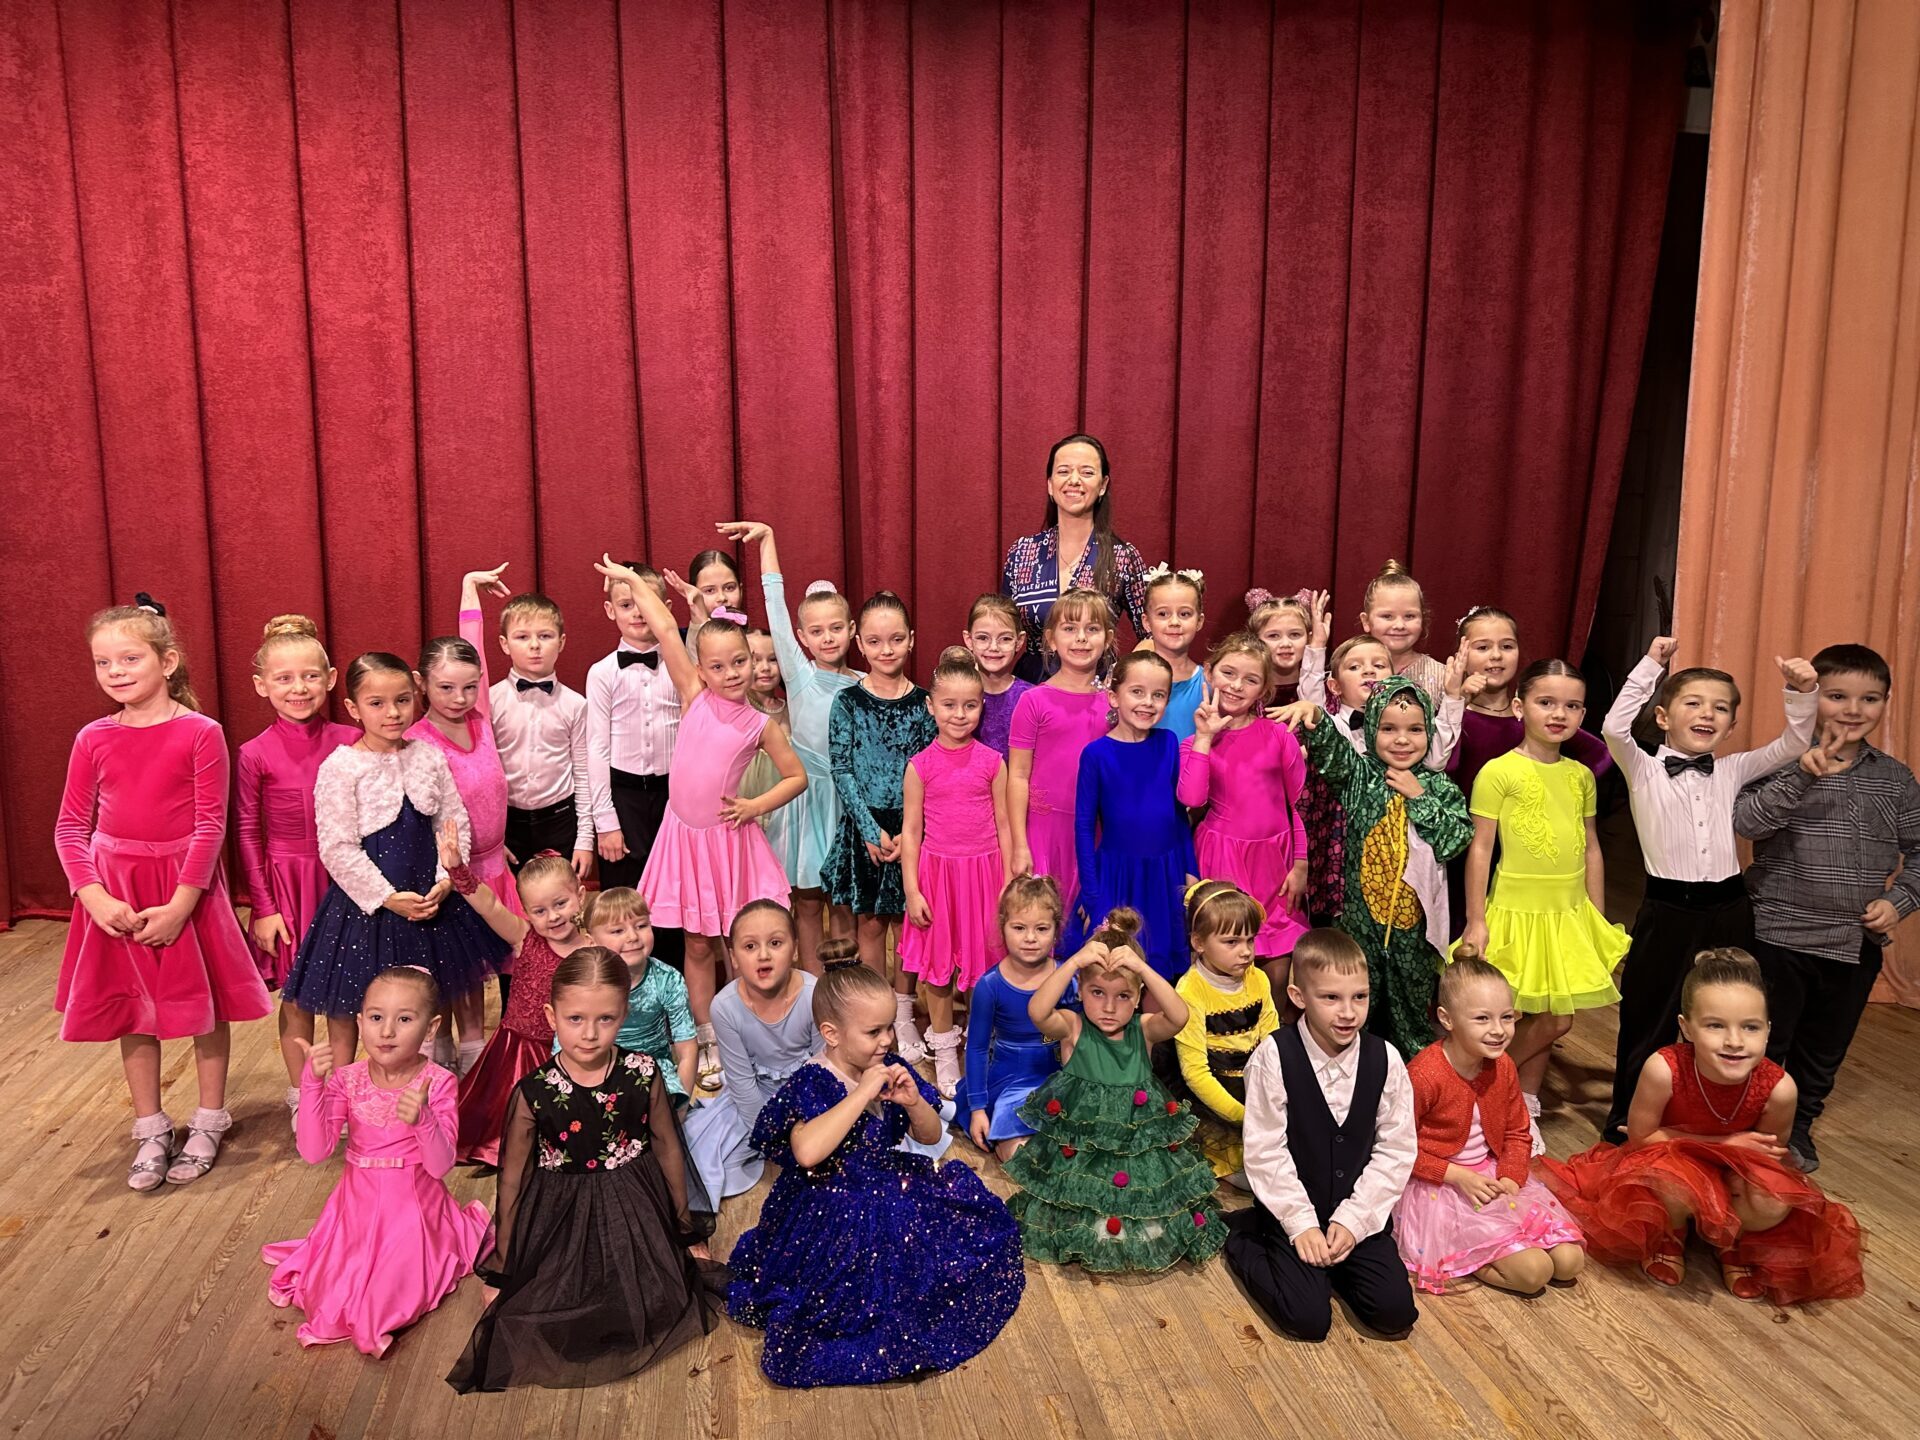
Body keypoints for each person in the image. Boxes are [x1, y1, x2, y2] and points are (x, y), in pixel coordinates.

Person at [56, 597, 272, 1190]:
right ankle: (150, 1126)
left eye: (130, 658)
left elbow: (210, 825)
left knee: (204, 1005)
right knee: (134, 1007)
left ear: (167, 661)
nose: (116, 671)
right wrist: (94, 896)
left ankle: (209, 1119)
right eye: (103, 662)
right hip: (116, 888)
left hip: (184, 889)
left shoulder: (201, 733)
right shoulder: (92, 738)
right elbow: (70, 827)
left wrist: (181, 904)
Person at [726, 964, 1024, 1387]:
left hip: (886, 1183)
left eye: (889, 1027)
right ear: (831, 1034)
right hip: (828, 1206)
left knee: (949, 1253)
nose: (886, 1040)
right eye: (873, 1032)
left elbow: (930, 1135)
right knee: (852, 1295)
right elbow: (807, 1152)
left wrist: (913, 1102)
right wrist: (863, 1091)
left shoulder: (890, 1064)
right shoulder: (812, 1080)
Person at [448, 947, 726, 1391]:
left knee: (649, 1300)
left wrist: (684, 1229)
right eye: (575, 1019)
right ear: (551, 1016)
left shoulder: (642, 1072)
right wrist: (503, 1268)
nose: (590, 1034)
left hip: (632, 1205)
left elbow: (668, 1149)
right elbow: (514, 1179)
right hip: (562, 1214)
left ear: (623, 1015)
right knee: (561, 1315)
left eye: (606, 1019)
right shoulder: (534, 1091)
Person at [1540, 950, 1864, 1305]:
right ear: (1686, 1027)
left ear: (1768, 1030)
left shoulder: (1779, 1088)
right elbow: (1643, 1137)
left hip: (1733, 1167)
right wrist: (1728, 1142)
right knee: (1669, 1178)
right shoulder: (1663, 1068)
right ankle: (1671, 1230)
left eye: (1750, 1027)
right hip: (1667, 1160)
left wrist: (1735, 1159)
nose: (1735, 1041)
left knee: (1772, 1199)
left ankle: (1731, 1237)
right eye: (1715, 1025)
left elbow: (1766, 1157)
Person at [595, 555, 808, 1087]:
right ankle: (706, 1034)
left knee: (739, 941)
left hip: (727, 841)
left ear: (751, 661)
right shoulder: (693, 696)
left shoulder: (759, 723)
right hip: (683, 839)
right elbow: (667, 629)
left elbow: (796, 777)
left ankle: (749, 1031)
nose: (731, 674)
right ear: (702, 669)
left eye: (739, 663)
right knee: (695, 942)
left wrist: (755, 806)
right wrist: (630, 581)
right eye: (718, 667)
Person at [1598, 634, 1818, 1144]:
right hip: (1667, 910)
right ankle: (1628, 1121)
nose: (1707, 714)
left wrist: (1802, 694)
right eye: (1693, 704)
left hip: (1730, 908)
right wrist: (1650, 664)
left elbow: (1793, 744)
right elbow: (1612, 727)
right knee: (1649, 1014)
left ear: (1731, 725)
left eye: (1720, 708)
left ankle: (1724, 1115)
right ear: (1662, 716)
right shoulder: (1643, 767)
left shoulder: (1733, 768)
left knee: (1731, 1010)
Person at [1734, 643, 1920, 1172]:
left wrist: (1899, 900)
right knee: (1763, 1042)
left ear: (1885, 703)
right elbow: (1747, 823)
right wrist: (1802, 774)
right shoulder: (1780, 762)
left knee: (1824, 1047)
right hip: (1776, 935)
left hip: (1854, 942)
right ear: (1814, 699)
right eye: (1837, 696)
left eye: (1870, 698)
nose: (1853, 710)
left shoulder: (1895, 779)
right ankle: (1745, 1129)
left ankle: (1798, 1127)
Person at [284, 653, 505, 1076]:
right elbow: (337, 847)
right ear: (353, 708)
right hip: (369, 909)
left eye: (402, 700)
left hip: (432, 899)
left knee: (441, 992)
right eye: (377, 703)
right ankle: (347, 1092)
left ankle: (448, 1079)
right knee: (355, 1003)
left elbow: (452, 822)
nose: (393, 713)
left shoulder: (428, 756)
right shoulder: (341, 767)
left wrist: (446, 880)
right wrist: (387, 897)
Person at [261, 967, 491, 1356]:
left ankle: (377, 1318)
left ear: (431, 1028)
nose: (386, 1031)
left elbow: (439, 1167)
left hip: (413, 1212)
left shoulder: (438, 1082)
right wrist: (312, 1084)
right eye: (376, 1017)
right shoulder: (346, 1079)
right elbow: (315, 1152)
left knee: (389, 1289)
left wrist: (424, 1120)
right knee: (332, 1287)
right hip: (354, 1209)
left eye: (404, 1019)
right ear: (359, 1021)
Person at [1457, 660, 1628, 1146]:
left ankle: (1524, 1102)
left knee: (1556, 1014)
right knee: (1523, 1016)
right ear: (1520, 707)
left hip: (1567, 912)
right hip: (1517, 909)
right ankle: (1479, 1090)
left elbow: (1591, 846)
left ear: (1583, 715)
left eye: (1571, 706)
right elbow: (1481, 849)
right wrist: (1475, 919)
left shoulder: (1581, 776)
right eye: (1546, 702)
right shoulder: (1499, 772)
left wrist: (1596, 918)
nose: (1559, 714)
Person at [1224, 929, 1419, 1343]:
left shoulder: (1385, 1058)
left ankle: (1335, 1264)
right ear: (1298, 997)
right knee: (1308, 1319)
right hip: (1293, 1207)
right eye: (1331, 998)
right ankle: (1243, 1236)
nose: (1348, 1012)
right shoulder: (1274, 1056)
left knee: (1395, 1312)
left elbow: (1396, 1150)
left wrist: (1354, 1221)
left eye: (1359, 997)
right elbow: (1265, 1151)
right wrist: (1300, 1224)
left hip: (1358, 1210)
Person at [1003, 908, 1225, 1272]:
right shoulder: (1073, 1026)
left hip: (1134, 1152)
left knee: (1146, 1219)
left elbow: (1180, 1016)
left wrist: (1142, 969)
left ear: (1137, 998)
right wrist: (1075, 961)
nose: (1108, 1007)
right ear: (1081, 989)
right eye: (1097, 992)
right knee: (1080, 1214)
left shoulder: (1145, 1029)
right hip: (1082, 1158)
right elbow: (1037, 1010)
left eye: (1123, 996)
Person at [1297, 678, 1473, 1058]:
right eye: (1388, 728)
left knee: (1411, 1013)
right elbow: (1333, 751)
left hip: (1415, 934)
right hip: (1359, 926)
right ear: (1372, 727)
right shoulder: (1360, 776)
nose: (1402, 740)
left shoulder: (1439, 787)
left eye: (1415, 730)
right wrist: (1316, 716)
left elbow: (1456, 839)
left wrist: (1419, 796)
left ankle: (1413, 1083)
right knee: (1354, 1008)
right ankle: (1350, 1078)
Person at [719, 520, 863, 972]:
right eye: (816, 631)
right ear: (801, 638)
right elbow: (775, 609)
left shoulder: (865, 683)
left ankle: (846, 987)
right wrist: (768, 541)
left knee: (844, 904)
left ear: (851, 630)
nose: (827, 638)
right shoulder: (799, 675)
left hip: (847, 803)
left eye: (835, 628)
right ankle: (813, 987)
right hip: (805, 801)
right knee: (806, 903)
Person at [1394, 957, 1584, 1296]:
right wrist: (1457, 1176)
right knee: (1534, 1273)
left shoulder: (1504, 1066)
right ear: (1447, 1019)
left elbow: (1517, 1132)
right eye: (1482, 1018)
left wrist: (1511, 1176)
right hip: (1442, 1184)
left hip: (1492, 1175)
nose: (1498, 1030)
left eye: (1506, 1017)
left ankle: (1506, 1245)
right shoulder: (1424, 1074)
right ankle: (1471, 1258)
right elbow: (1397, 1147)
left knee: (1570, 1262)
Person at [234, 614, 358, 1126]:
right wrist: (263, 908)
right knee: (298, 996)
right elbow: (247, 833)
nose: (298, 688)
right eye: (283, 678)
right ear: (261, 685)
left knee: (346, 995)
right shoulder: (253, 753)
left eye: (309, 676)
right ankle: (303, 1092)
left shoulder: (352, 738)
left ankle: (344, 1091)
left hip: (345, 880)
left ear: (330, 679)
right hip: (288, 884)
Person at [1443, 605, 1612, 943]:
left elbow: (1599, 755)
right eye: (1482, 647)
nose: (1496, 656)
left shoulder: (1535, 718)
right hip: (1469, 849)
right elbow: (1439, 765)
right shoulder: (1453, 715)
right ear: (1462, 654)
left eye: (1507, 646)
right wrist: (1457, 700)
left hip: (1526, 852)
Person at [585, 886, 760, 1206]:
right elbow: (565, 1046)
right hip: (597, 1069)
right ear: (591, 941)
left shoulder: (667, 979)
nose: (633, 937)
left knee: (656, 1135)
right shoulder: (585, 982)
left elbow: (686, 1046)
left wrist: (680, 1100)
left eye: (641, 925)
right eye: (618, 930)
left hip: (653, 1068)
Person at [821, 590, 937, 1058]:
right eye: (874, 641)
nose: (886, 650)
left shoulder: (926, 703)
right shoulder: (847, 701)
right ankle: (876, 1016)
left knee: (909, 926)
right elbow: (841, 768)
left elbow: (930, 769)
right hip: (865, 826)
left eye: (895, 639)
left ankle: (904, 1015)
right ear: (860, 644)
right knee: (869, 927)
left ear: (911, 639)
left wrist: (910, 833)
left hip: (913, 827)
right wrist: (870, 831)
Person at [900, 649, 1012, 1096]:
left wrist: (1008, 883)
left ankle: (980, 1048)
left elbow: (1004, 825)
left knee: (984, 969)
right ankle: (945, 1049)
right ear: (931, 706)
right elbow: (911, 832)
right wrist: (912, 890)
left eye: (970, 705)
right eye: (949, 705)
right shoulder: (920, 766)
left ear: (982, 706)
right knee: (939, 969)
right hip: (938, 879)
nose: (959, 714)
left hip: (984, 877)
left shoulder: (993, 762)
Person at [1180, 633, 1311, 991]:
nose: (1237, 686)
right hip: (1222, 859)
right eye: (1228, 673)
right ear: (1209, 673)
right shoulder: (1193, 743)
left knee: (1278, 962)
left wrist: (1300, 864)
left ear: (1263, 690)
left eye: (1250, 680)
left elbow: (1297, 804)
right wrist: (1204, 738)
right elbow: (1192, 797)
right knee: (1224, 954)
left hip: (1275, 862)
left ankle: (1272, 1024)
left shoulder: (1279, 735)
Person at [406, 617, 509, 1069]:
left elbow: (490, 793)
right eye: (446, 688)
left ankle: (476, 1055)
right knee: (454, 967)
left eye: (469, 688)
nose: (459, 698)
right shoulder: (415, 741)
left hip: (494, 865)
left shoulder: (480, 720)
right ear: (421, 683)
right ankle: (444, 1052)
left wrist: (498, 842)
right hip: (449, 873)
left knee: (484, 968)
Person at [447, 843, 591, 1164]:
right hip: (516, 1048)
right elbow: (489, 905)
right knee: (506, 1113)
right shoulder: (524, 937)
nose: (553, 916)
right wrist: (458, 870)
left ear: (580, 896)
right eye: (540, 911)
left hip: (567, 1053)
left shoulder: (593, 950)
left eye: (561, 904)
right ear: (526, 912)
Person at [456, 567, 595, 891]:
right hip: (506, 823)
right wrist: (492, 836)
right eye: (522, 637)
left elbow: (583, 772)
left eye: (545, 636)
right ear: (504, 644)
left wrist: (585, 839)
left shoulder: (576, 704)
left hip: (560, 821)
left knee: (559, 905)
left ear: (561, 642)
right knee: (510, 906)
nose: (534, 646)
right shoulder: (489, 701)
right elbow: (479, 773)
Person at [1064, 651, 1196, 981]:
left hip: (1165, 875)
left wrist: (1191, 868)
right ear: (1114, 696)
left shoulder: (1168, 743)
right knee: (1113, 966)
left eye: (1158, 695)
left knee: (1161, 964)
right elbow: (1083, 827)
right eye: (1137, 692)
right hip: (1117, 875)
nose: (1148, 702)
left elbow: (1179, 814)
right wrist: (1092, 895)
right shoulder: (1096, 754)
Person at [584, 558, 685, 971]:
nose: (638, 613)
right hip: (622, 797)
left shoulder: (682, 666)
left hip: (674, 795)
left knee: (672, 895)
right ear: (610, 610)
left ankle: (672, 987)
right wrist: (605, 821)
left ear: (666, 609)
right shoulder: (601, 673)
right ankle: (621, 989)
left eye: (646, 604)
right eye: (627, 605)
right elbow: (595, 749)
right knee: (624, 900)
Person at [1001, 433, 1149, 679]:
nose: (1074, 480)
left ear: (1103, 485)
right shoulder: (1022, 552)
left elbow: (1152, 632)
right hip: (1030, 686)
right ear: (1050, 484)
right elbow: (1002, 628)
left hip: (1095, 687)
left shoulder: (1122, 556)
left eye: (1087, 472)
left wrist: (1123, 678)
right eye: (1064, 471)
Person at [1007, 588, 1114, 926]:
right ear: (1051, 640)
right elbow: (1018, 775)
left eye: (1092, 629)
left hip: (1097, 832)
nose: (1081, 638)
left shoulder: (1115, 704)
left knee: (1089, 926)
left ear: (1108, 639)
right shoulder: (1033, 701)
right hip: (1044, 832)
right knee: (1043, 924)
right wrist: (1020, 844)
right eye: (1070, 628)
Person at [1173, 880, 1281, 1183]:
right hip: (1216, 1096)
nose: (1245, 952)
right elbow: (1196, 1074)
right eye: (1232, 942)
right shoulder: (1191, 991)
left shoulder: (1258, 979)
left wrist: (1273, 1096)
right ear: (1199, 942)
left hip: (1255, 1084)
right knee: (1251, 1176)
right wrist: (1244, 1116)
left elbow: (1273, 1041)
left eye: (1250, 940)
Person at [963, 875, 1069, 1162]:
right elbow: (976, 1048)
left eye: (1041, 928)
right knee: (1016, 1153)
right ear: (1003, 927)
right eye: (1019, 928)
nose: (1030, 938)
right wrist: (977, 1109)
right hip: (1008, 1079)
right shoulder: (990, 985)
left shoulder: (1067, 979)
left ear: (1056, 931)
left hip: (1056, 1075)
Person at [709, 900, 820, 1137]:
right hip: (757, 1106)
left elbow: (826, 1068)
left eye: (775, 943)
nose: (763, 955)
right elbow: (743, 1086)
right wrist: (770, 1135)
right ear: (734, 957)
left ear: (795, 949)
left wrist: (810, 1131)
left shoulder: (814, 995)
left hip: (815, 1101)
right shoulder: (724, 1007)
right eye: (750, 946)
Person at [1358, 558, 1446, 704]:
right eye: (1387, 616)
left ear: (1423, 618)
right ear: (1366, 621)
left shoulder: (1442, 676)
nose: (1399, 625)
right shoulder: (1349, 669)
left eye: (1409, 616)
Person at [1139, 564, 1208, 740]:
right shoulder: (1128, 678)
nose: (1174, 622)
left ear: (1199, 621)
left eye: (1185, 614)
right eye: (1163, 614)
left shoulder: (1209, 682)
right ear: (1147, 622)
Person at [961, 593, 1032, 757]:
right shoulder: (957, 693)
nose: (993, 647)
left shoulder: (1030, 698)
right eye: (983, 638)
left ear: (1019, 641)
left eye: (1005, 639)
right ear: (969, 640)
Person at [1249, 587, 1329, 708]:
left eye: (1295, 634)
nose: (1285, 643)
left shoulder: (1329, 688)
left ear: (1309, 638)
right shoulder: (1248, 690)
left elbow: (1316, 715)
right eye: (1273, 636)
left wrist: (1317, 645)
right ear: (1256, 640)